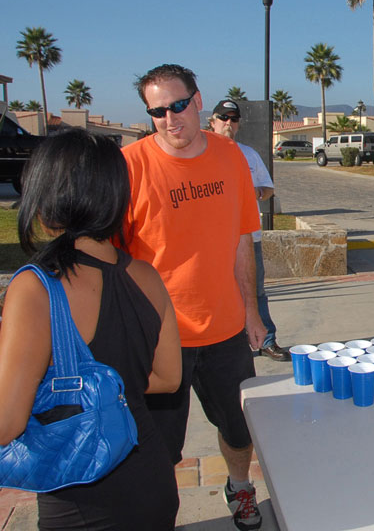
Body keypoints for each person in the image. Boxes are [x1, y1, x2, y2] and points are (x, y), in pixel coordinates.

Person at [0, 129, 182, 530]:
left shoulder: (36, 287)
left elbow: (7, 420)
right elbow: (169, 378)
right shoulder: (147, 276)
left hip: (80, 495)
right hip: (151, 478)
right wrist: (108, 385)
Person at [123, 64, 267, 531]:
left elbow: (242, 239)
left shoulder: (231, 159)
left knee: (239, 430)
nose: (170, 119)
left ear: (198, 100)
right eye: (158, 111)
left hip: (225, 328)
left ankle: (240, 488)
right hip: (158, 338)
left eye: (178, 105)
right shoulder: (130, 167)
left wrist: (252, 312)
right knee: (158, 446)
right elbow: (113, 256)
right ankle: (158, 513)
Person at [210, 99, 290, 362]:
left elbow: (268, 190)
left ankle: (266, 340)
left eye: (233, 119)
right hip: (213, 241)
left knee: (255, 292)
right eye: (223, 118)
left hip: (249, 238)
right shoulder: (202, 153)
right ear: (212, 121)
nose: (228, 124)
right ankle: (226, 344)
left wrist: (250, 191)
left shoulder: (249, 155)